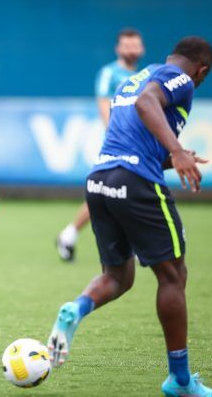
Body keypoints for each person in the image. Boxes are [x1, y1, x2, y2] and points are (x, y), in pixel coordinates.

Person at [47, 36, 212, 396]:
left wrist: (175, 156)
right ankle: (181, 381)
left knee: (119, 276)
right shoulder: (179, 79)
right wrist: (177, 150)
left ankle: (75, 309)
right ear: (202, 71)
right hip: (134, 181)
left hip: (100, 181)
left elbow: (134, 133)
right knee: (173, 276)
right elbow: (147, 103)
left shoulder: (134, 78)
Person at [56, 28, 145, 262]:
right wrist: (116, 136)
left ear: (142, 49)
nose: (131, 49)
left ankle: (69, 234)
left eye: (135, 45)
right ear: (118, 49)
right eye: (127, 45)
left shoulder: (143, 77)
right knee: (113, 190)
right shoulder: (109, 73)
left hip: (135, 143)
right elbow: (104, 105)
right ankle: (131, 242)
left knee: (110, 191)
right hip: (117, 143)